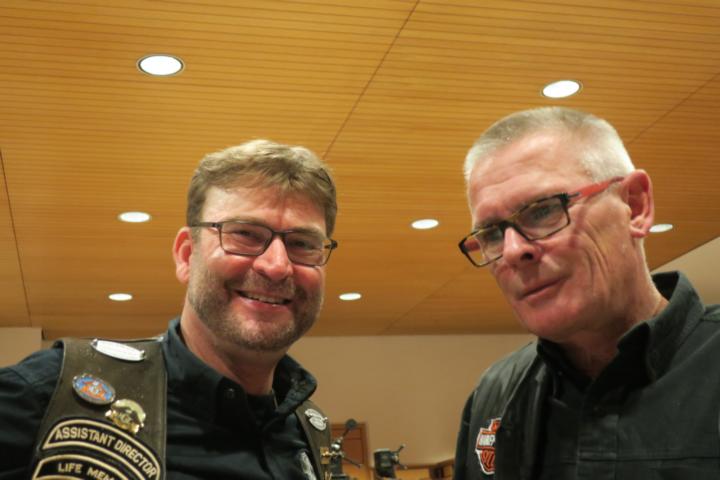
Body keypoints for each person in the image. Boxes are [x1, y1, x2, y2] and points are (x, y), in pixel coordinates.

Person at [0, 139, 339, 479]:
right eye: (245, 234)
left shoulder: (309, 434)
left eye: (302, 243)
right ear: (186, 255)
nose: (277, 266)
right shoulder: (50, 396)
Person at [453, 106, 720, 479]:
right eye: (493, 234)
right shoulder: (494, 394)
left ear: (635, 206)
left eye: (543, 210)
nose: (512, 251)